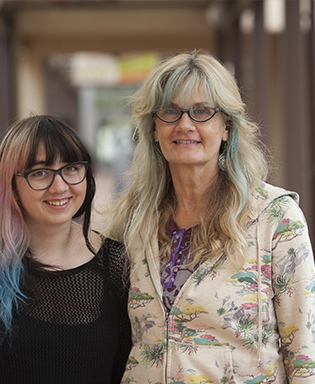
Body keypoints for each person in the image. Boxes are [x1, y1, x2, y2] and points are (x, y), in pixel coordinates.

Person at [107, 50, 315, 383]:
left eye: (202, 112)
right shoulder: (134, 219)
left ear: (226, 128)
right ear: (154, 130)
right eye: (170, 112)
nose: (184, 124)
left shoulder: (275, 218)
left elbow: (304, 357)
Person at [0, 115, 131, 384]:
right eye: (40, 173)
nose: (59, 186)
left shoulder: (118, 265)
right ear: (11, 185)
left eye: (71, 168)